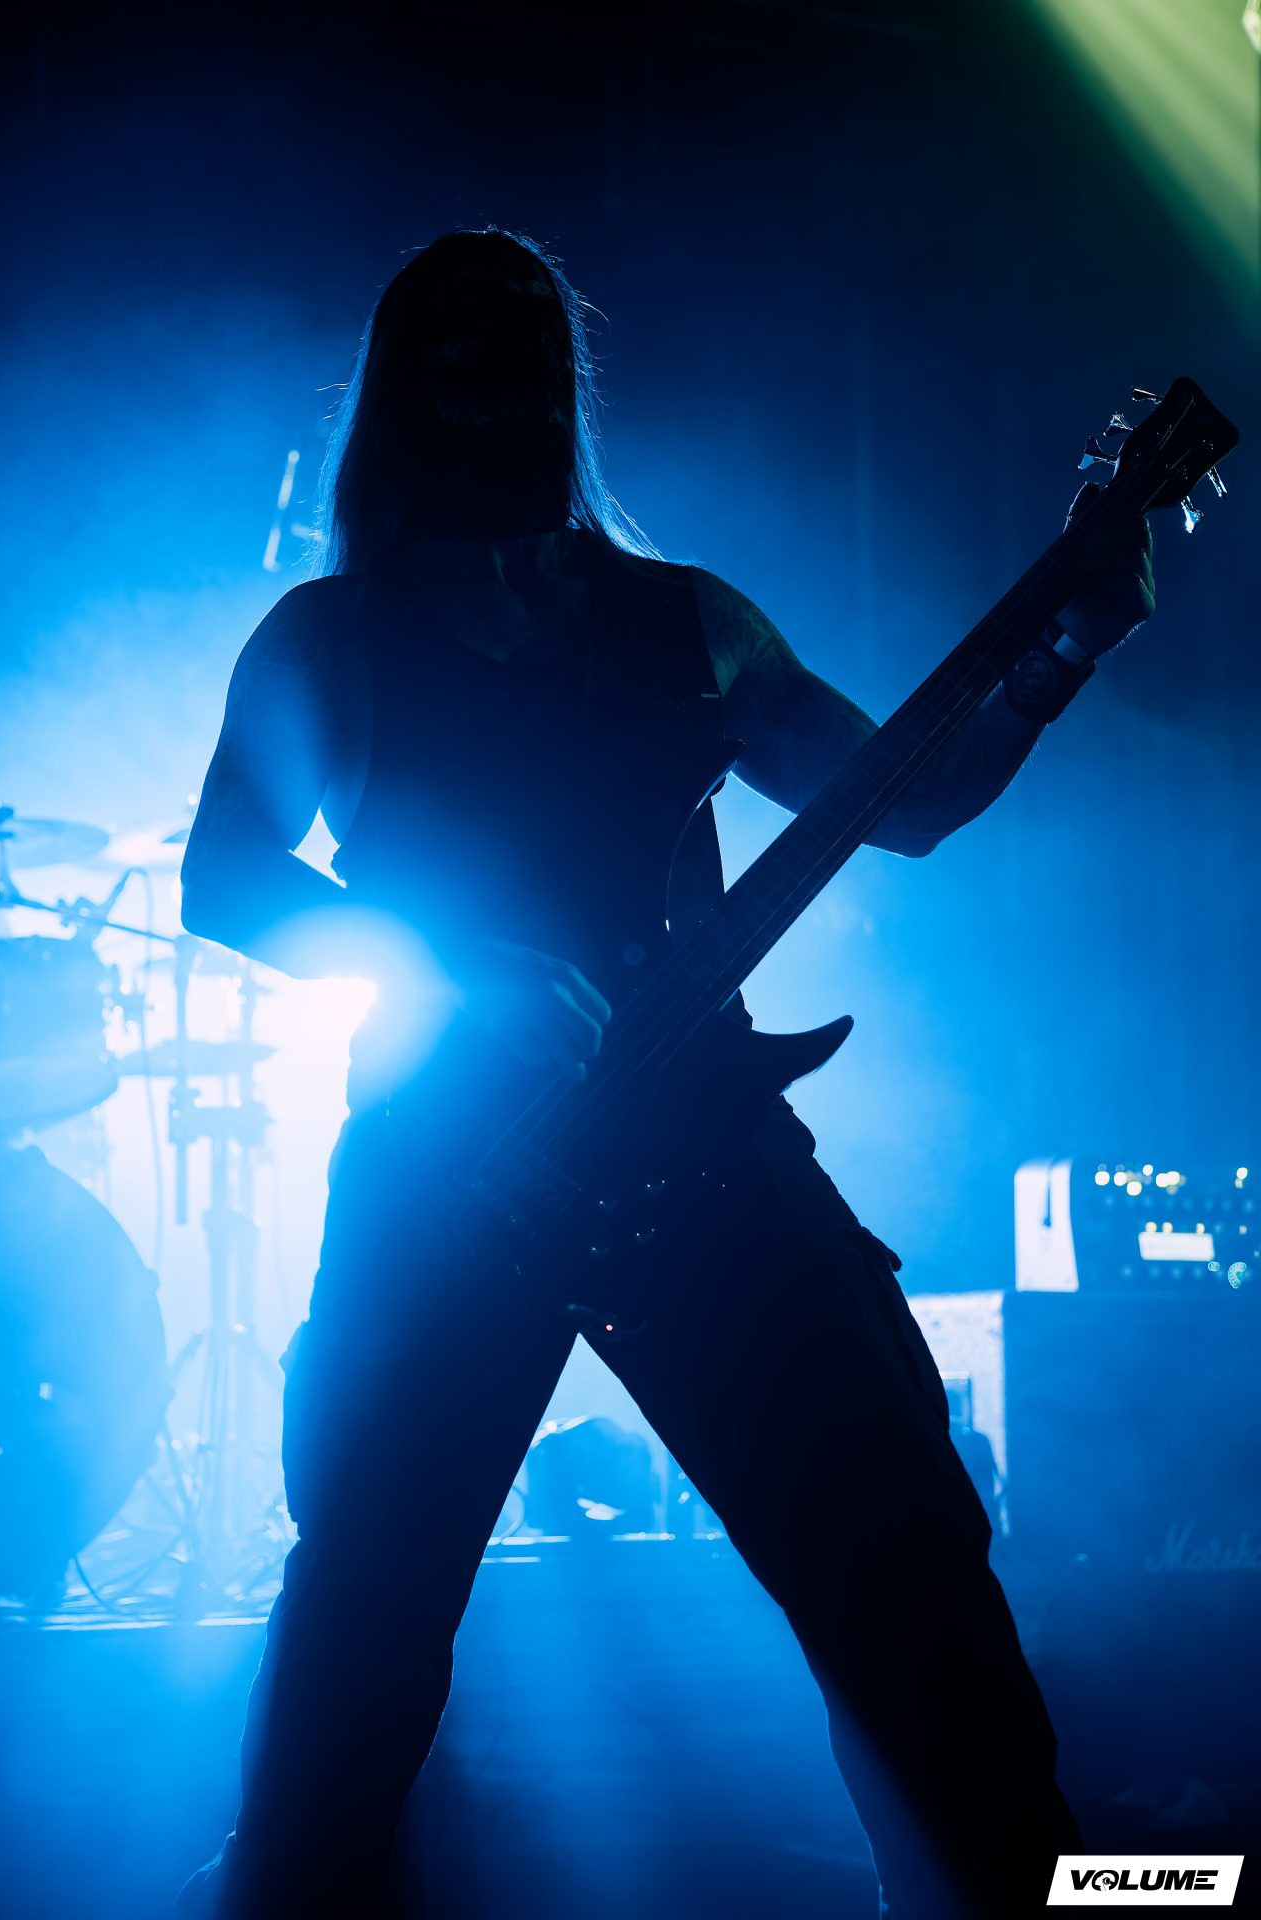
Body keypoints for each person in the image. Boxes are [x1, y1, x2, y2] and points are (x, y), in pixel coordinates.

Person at [175, 228, 1153, 1919]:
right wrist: (445, 963)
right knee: (361, 1635)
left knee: (912, 1581)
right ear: (405, 396)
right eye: (456, 365)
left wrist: (1067, 647)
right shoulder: (332, 640)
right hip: (451, 1174)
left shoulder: (688, 624)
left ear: (561, 390)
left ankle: (1043, 1893)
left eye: (519, 361)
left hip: (703, 1161)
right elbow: (226, 876)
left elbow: (907, 802)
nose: (492, 400)